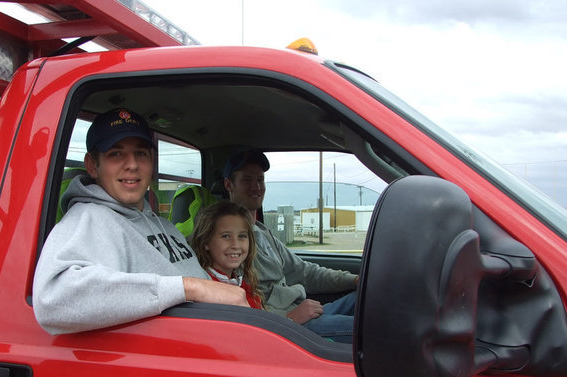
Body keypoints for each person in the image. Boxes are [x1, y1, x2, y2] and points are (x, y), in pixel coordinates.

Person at [32, 108, 247, 335]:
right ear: (93, 165)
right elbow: (52, 301)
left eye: (141, 154)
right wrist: (190, 287)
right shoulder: (89, 219)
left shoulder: (167, 228)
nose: (132, 165)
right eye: (116, 154)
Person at [223, 149, 358, 343]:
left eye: (260, 180)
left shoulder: (262, 232)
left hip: (303, 311)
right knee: (371, 327)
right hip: (288, 326)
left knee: (365, 297)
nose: (256, 187)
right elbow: (237, 306)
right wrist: (288, 319)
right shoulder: (226, 243)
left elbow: (305, 273)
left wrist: (354, 280)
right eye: (247, 180)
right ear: (229, 185)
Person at [188, 200, 263, 309]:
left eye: (242, 236)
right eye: (226, 236)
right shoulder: (206, 292)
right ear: (206, 241)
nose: (236, 245)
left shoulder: (242, 283)